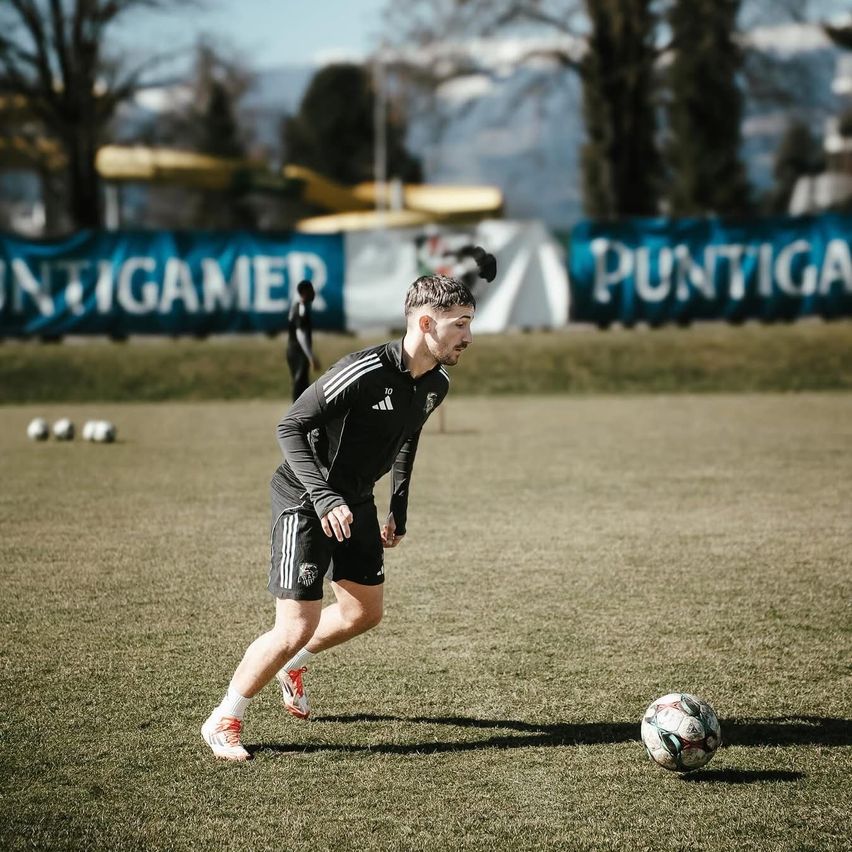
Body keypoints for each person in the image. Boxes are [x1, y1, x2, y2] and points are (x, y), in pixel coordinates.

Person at [202, 273, 477, 761]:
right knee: (294, 627)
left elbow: (407, 436)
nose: (469, 337)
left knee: (363, 612)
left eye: (470, 324)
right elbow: (290, 426)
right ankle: (224, 717)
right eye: (460, 324)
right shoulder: (363, 369)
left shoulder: (437, 383)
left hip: (356, 500)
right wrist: (326, 498)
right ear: (427, 322)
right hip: (305, 499)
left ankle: (294, 667)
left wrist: (398, 505)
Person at [286, 279, 319, 401]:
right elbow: (300, 334)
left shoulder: (298, 306)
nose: (314, 293)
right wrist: (310, 356)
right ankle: (295, 413)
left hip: (295, 350)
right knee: (299, 382)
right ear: (305, 292)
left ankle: (303, 412)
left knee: (303, 384)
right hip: (297, 352)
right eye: (311, 290)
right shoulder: (301, 309)